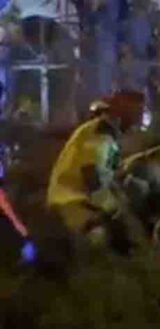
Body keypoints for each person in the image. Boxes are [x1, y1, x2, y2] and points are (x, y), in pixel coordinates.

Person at [46, 90, 145, 248]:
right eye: (135, 114)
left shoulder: (110, 137)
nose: (137, 120)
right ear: (119, 111)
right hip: (71, 202)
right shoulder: (100, 133)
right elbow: (91, 175)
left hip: (84, 200)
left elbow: (109, 175)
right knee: (98, 237)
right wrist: (113, 212)